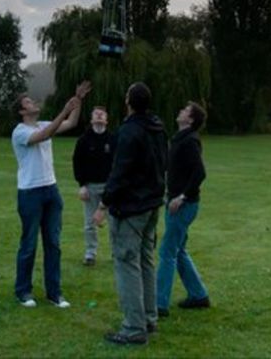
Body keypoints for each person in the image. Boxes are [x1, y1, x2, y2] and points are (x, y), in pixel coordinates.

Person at [93, 82, 168, 346]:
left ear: (129, 101)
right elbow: (162, 163)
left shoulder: (129, 131)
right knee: (146, 261)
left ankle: (134, 327)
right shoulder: (157, 128)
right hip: (151, 205)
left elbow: (120, 172)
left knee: (127, 263)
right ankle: (149, 317)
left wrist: (103, 205)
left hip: (131, 208)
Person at [11, 79, 91, 309]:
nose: (34, 102)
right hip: (30, 193)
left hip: (51, 191)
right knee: (29, 244)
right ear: (21, 111)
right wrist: (65, 109)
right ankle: (23, 291)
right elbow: (45, 135)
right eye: (28, 102)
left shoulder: (44, 123)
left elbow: (72, 122)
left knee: (53, 244)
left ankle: (54, 293)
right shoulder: (20, 132)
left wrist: (78, 100)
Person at [156, 101, 210, 317]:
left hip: (183, 205)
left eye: (185, 110)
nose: (180, 111)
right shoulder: (179, 139)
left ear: (190, 119)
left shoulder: (190, 141)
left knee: (167, 252)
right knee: (178, 251)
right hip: (176, 202)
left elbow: (200, 173)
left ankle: (159, 304)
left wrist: (182, 196)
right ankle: (198, 295)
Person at [72, 105, 116, 266]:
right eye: (96, 114)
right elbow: (77, 163)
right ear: (91, 119)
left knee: (114, 222)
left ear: (106, 119)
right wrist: (82, 185)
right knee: (90, 223)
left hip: (109, 187)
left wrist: (114, 187)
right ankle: (90, 253)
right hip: (90, 187)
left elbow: (118, 164)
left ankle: (115, 252)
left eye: (102, 114)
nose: (99, 116)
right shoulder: (83, 140)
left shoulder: (112, 139)